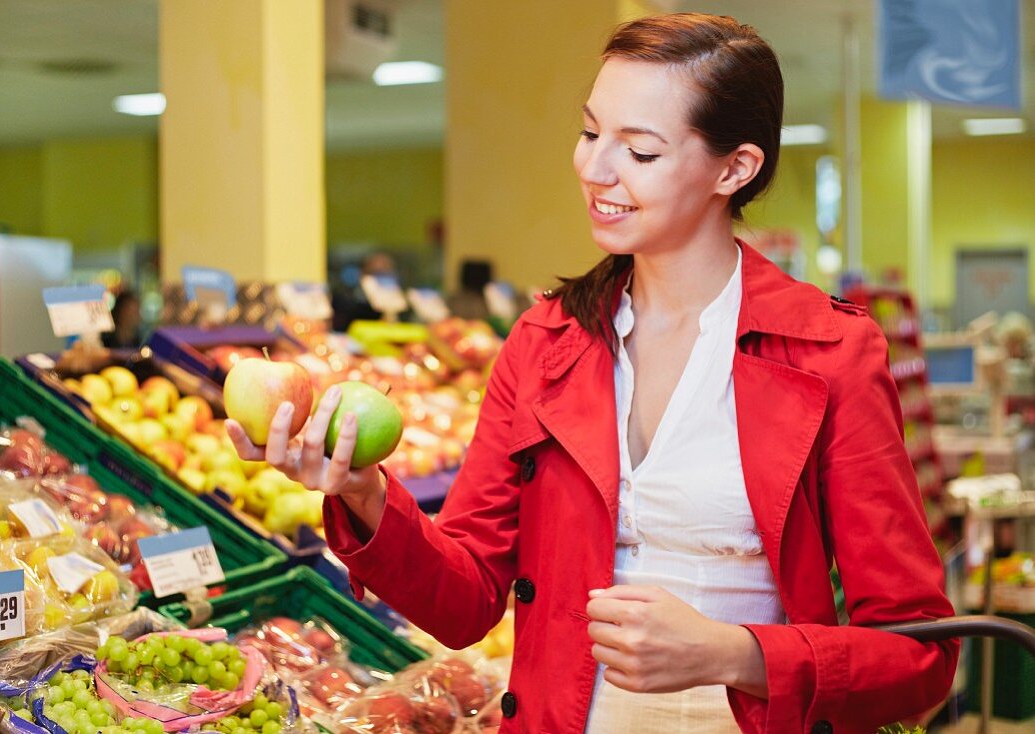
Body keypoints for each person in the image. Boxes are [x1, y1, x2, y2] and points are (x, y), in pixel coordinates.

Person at [227, 13, 958, 733]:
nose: (594, 169)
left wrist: (737, 653)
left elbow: (918, 654)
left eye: (639, 152)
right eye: (589, 132)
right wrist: (363, 492)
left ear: (734, 168)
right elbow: (467, 601)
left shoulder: (829, 352)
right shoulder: (547, 342)